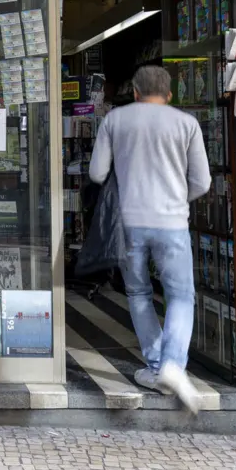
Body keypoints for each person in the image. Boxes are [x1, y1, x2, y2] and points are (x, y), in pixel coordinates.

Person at [89, 65, 211, 413]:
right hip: (172, 223)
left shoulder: (115, 120)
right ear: (169, 94)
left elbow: (97, 172)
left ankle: (157, 366)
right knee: (181, 296)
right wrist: (177, 199)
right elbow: (202, 182)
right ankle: (173, 365)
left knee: (138, 292)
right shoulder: (186, 123)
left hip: (129, 222)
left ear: (135, 92)